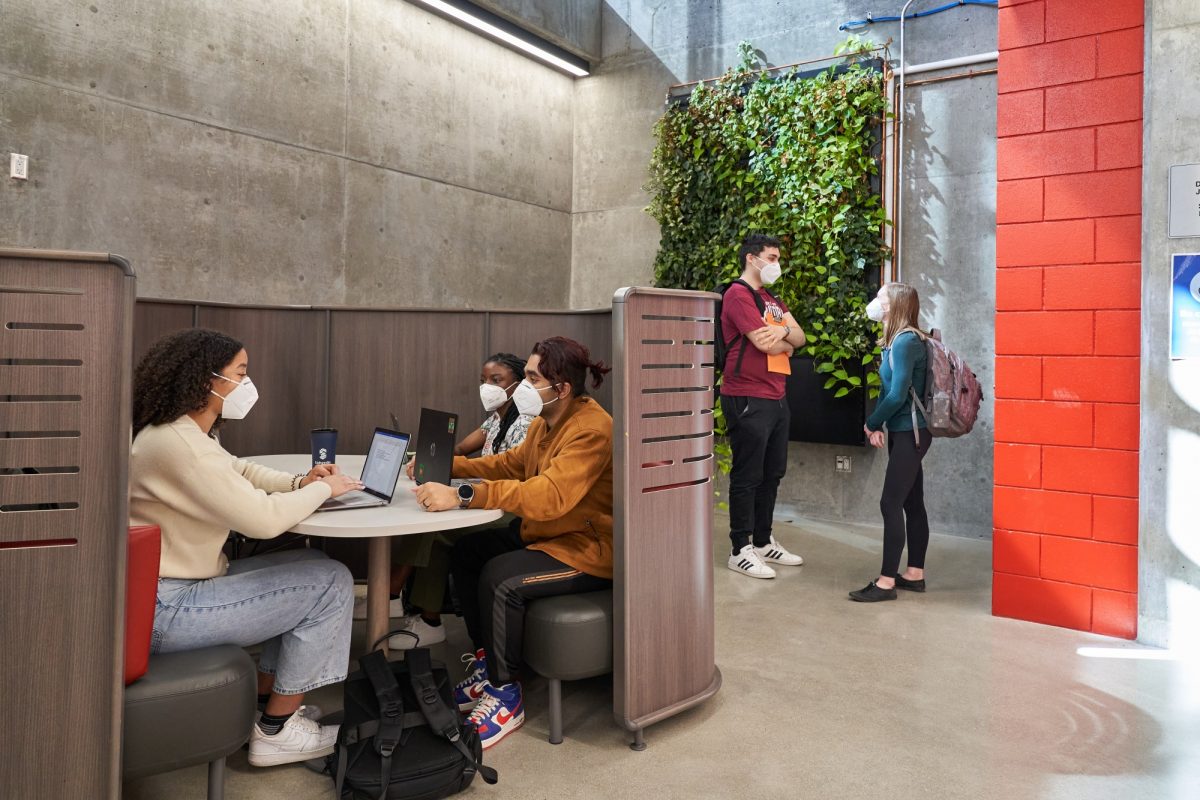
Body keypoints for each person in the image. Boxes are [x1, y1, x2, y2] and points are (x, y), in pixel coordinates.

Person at [128, 328, 363, 767]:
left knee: (312, 561)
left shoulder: (180, 432)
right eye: (240, 373)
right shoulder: (179, 445)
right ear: (208, 380)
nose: (246, 384)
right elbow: (264, 521)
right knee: (331, 582)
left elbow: (238, 470)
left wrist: (300, 482)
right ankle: (277, 732)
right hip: (168, 608)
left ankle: (262, 703)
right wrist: (325, 490)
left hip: (165, 593)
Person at [413, 336, 613, 749]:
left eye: (533, 378)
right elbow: (509, 464)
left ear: (562, 388)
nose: (524, 385)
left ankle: (506, 695)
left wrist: (464, 495)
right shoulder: (545, 421)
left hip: (586, 548)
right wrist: (447, 467)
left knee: (501, 578)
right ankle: (489, 664)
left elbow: (550, 495)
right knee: (468, 552)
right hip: (548, 535)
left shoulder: (592, 430)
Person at [365, 353, 535, 649]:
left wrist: (456, 480)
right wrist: (428, 459)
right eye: (483, 380)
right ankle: (408, 606)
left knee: (438, 529)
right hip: (486, 498)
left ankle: (402, 600)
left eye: (496, 380)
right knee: (431, 515)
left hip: (507, 507)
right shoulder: (495, 419)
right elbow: (459, 449)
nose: (487, 387)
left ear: (518, 384)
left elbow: (510, 474)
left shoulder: (526, 422)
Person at [719, 233, 808, 579]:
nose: (776, 264)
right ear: (751, 258)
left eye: (777, 258)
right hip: (746, 395)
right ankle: (739, 549)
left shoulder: (772, 299)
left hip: (776, 395)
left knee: (772, 473)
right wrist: (786, 339)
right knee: (748, 474)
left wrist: (783, 335)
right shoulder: (737, 294)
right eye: (771, 258)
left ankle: (762, 540)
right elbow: (764, 344)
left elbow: (800, 337)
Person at [850, 283, 931, 603]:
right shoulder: (895, 341)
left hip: (912, 432)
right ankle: (914, 574)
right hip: (902, 430)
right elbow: (890, 390)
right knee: (911, 502)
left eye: (881, 297)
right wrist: (880, 426)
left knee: (890, 503)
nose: (875, 302)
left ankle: (886, 583)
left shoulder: (907, 341)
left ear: (895, 304)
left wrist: (871, 423)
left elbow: (897, 395)